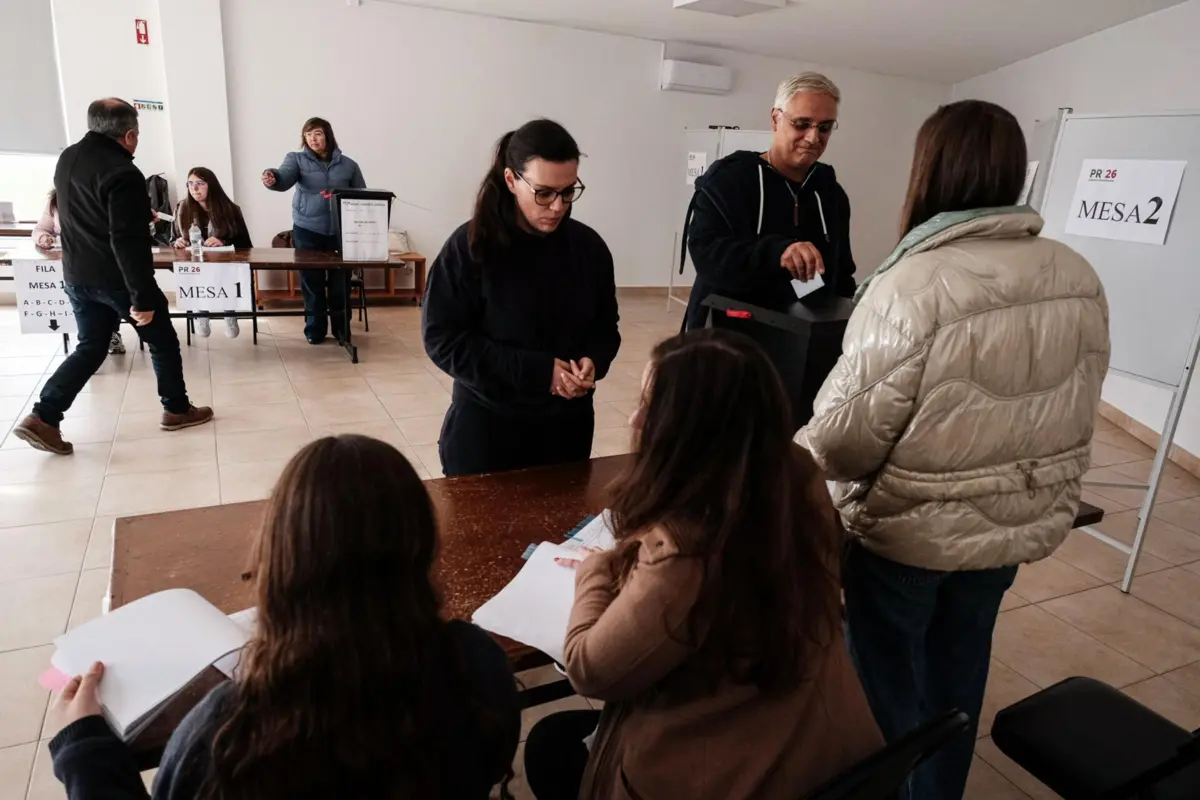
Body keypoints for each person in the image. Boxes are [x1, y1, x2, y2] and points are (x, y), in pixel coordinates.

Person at [797, 100, 1110, 800]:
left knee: (883, 685)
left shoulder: (913, 283)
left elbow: (845, 440)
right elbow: (1077, 404)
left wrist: (785, 451)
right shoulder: (1077, 273)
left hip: (909, 534)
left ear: (928, 170)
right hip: (1010, 528)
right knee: (959, 674)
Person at [47, 434, 521, 799]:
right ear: (422, 548)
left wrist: (84, 747)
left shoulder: (225, 731)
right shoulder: (478, 663)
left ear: (281, 559)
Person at [524, 328, 882, 800]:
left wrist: (596, 571)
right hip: (823, 748)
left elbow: (590, 670)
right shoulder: (795, 477)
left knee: (549, 745)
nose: (634, 417)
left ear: (691, 434)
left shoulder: (687, 551)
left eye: (651, 406)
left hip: (738, 771)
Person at [422, 119, 621, 477]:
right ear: (512, 181)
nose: (558, 206)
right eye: (544, 193)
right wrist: (539, 372)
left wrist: (594, 360)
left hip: (567, 432)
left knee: (566, 530)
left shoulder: (589, 248)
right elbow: (443, 341)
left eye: (568, 191)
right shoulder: (470, 248)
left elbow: (606, 327)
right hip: (488, 433)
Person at [14, 98, 212, 456]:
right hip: (116, 278)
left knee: (90, 347)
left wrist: (137, 214)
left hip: (77, 275)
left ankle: (43, 417)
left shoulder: (68, 157)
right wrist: (142, 298)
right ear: (130, 134)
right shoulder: (124, 172)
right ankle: (177, 408)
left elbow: (89, 215)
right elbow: (126, 239)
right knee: (163, 340)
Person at [682, 72, 857, 333]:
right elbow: (707, 255)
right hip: (723, 337)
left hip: (798, 339)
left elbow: (841, 273)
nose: (813, 137)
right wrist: (778, 253)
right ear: (776, 119)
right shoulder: (730, 179)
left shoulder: (830, 192)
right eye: (801, 123)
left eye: (824, 127)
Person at [261, 117, 365, 344]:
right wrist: (273, 177)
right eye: (308, 135)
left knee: (341, 284)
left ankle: (341, 330)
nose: (313, 139)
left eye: (317, 133)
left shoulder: (349, 165)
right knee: (312, 283)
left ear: (327, 135)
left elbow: (361, 196)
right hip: (308, 229)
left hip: (341, 233)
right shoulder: (296, 160)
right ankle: (315, 330)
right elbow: (283, 177)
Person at [33, 189, 126, 356]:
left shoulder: (99, 194)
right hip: (73, 263)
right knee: (86, 309)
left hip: (104, 260)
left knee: (111, 297)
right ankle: (92, 341)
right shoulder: (56, 200)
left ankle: (111, 333)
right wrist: (43, 238)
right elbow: (40, 228)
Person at [172, 167, 252, 339]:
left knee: (223, 273)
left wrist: (224, 241)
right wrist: (178, 242)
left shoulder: (230, 209)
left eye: (200, 184)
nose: (194, 188)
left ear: (211, 185)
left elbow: (245, 245)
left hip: (223, 265)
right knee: (197, 273)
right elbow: (173, 239)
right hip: (196, 266)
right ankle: (202, 313)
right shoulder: (182, 208)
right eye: (190, 184)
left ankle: (229, 311)